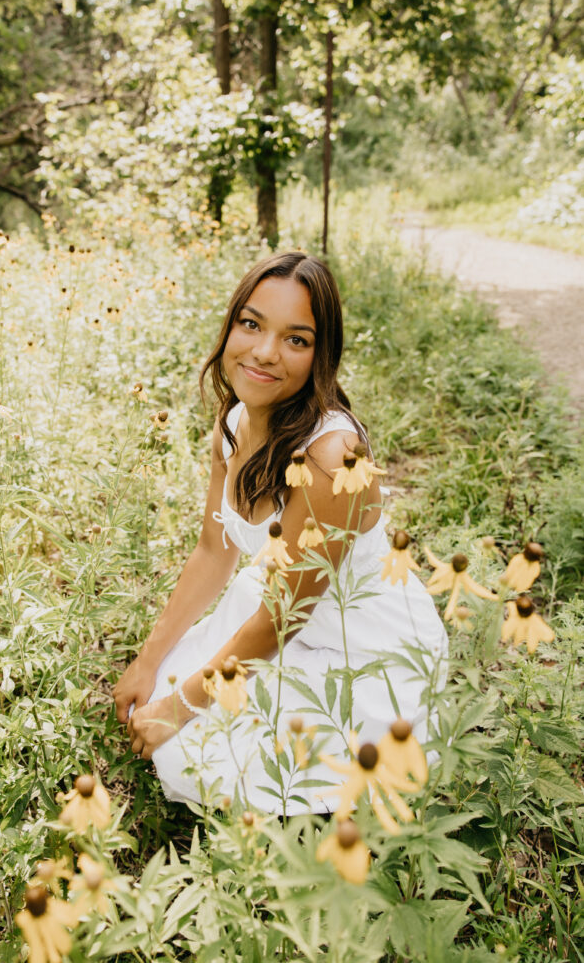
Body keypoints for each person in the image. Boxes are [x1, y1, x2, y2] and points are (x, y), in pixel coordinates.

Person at [113, 251, 447, 814]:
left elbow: (279, 622)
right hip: (280, 605)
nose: (264, 353)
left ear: (322, 355)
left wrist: (180, 708)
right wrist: (148, 660)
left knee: (186, 745)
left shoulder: (330, 458)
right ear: (231, 327)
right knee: (163, 681)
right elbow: (213, 550)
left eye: (297, 339)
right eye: (251, 324)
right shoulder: (236, 421)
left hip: (358, 643)